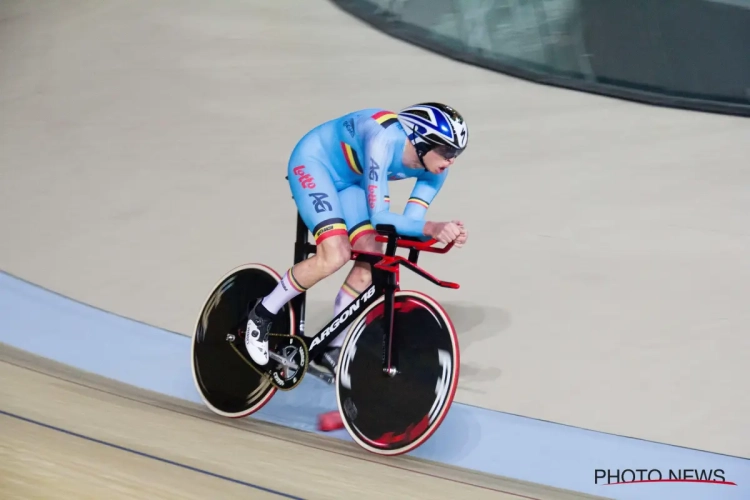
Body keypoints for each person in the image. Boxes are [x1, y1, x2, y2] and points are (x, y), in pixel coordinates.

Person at [244, 102, 470, 372]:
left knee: (371, 262)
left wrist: (443, 232)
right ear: (421, 141)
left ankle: (333, 346)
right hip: (315, 164)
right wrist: (432, 228)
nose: (451, 160)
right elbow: (380, 217)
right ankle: (261, 314)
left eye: (457, 152)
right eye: (447, 151)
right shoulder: (382, 140)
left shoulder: (437, 172)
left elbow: (411, 224)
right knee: (335, 254)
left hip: (351, 181)